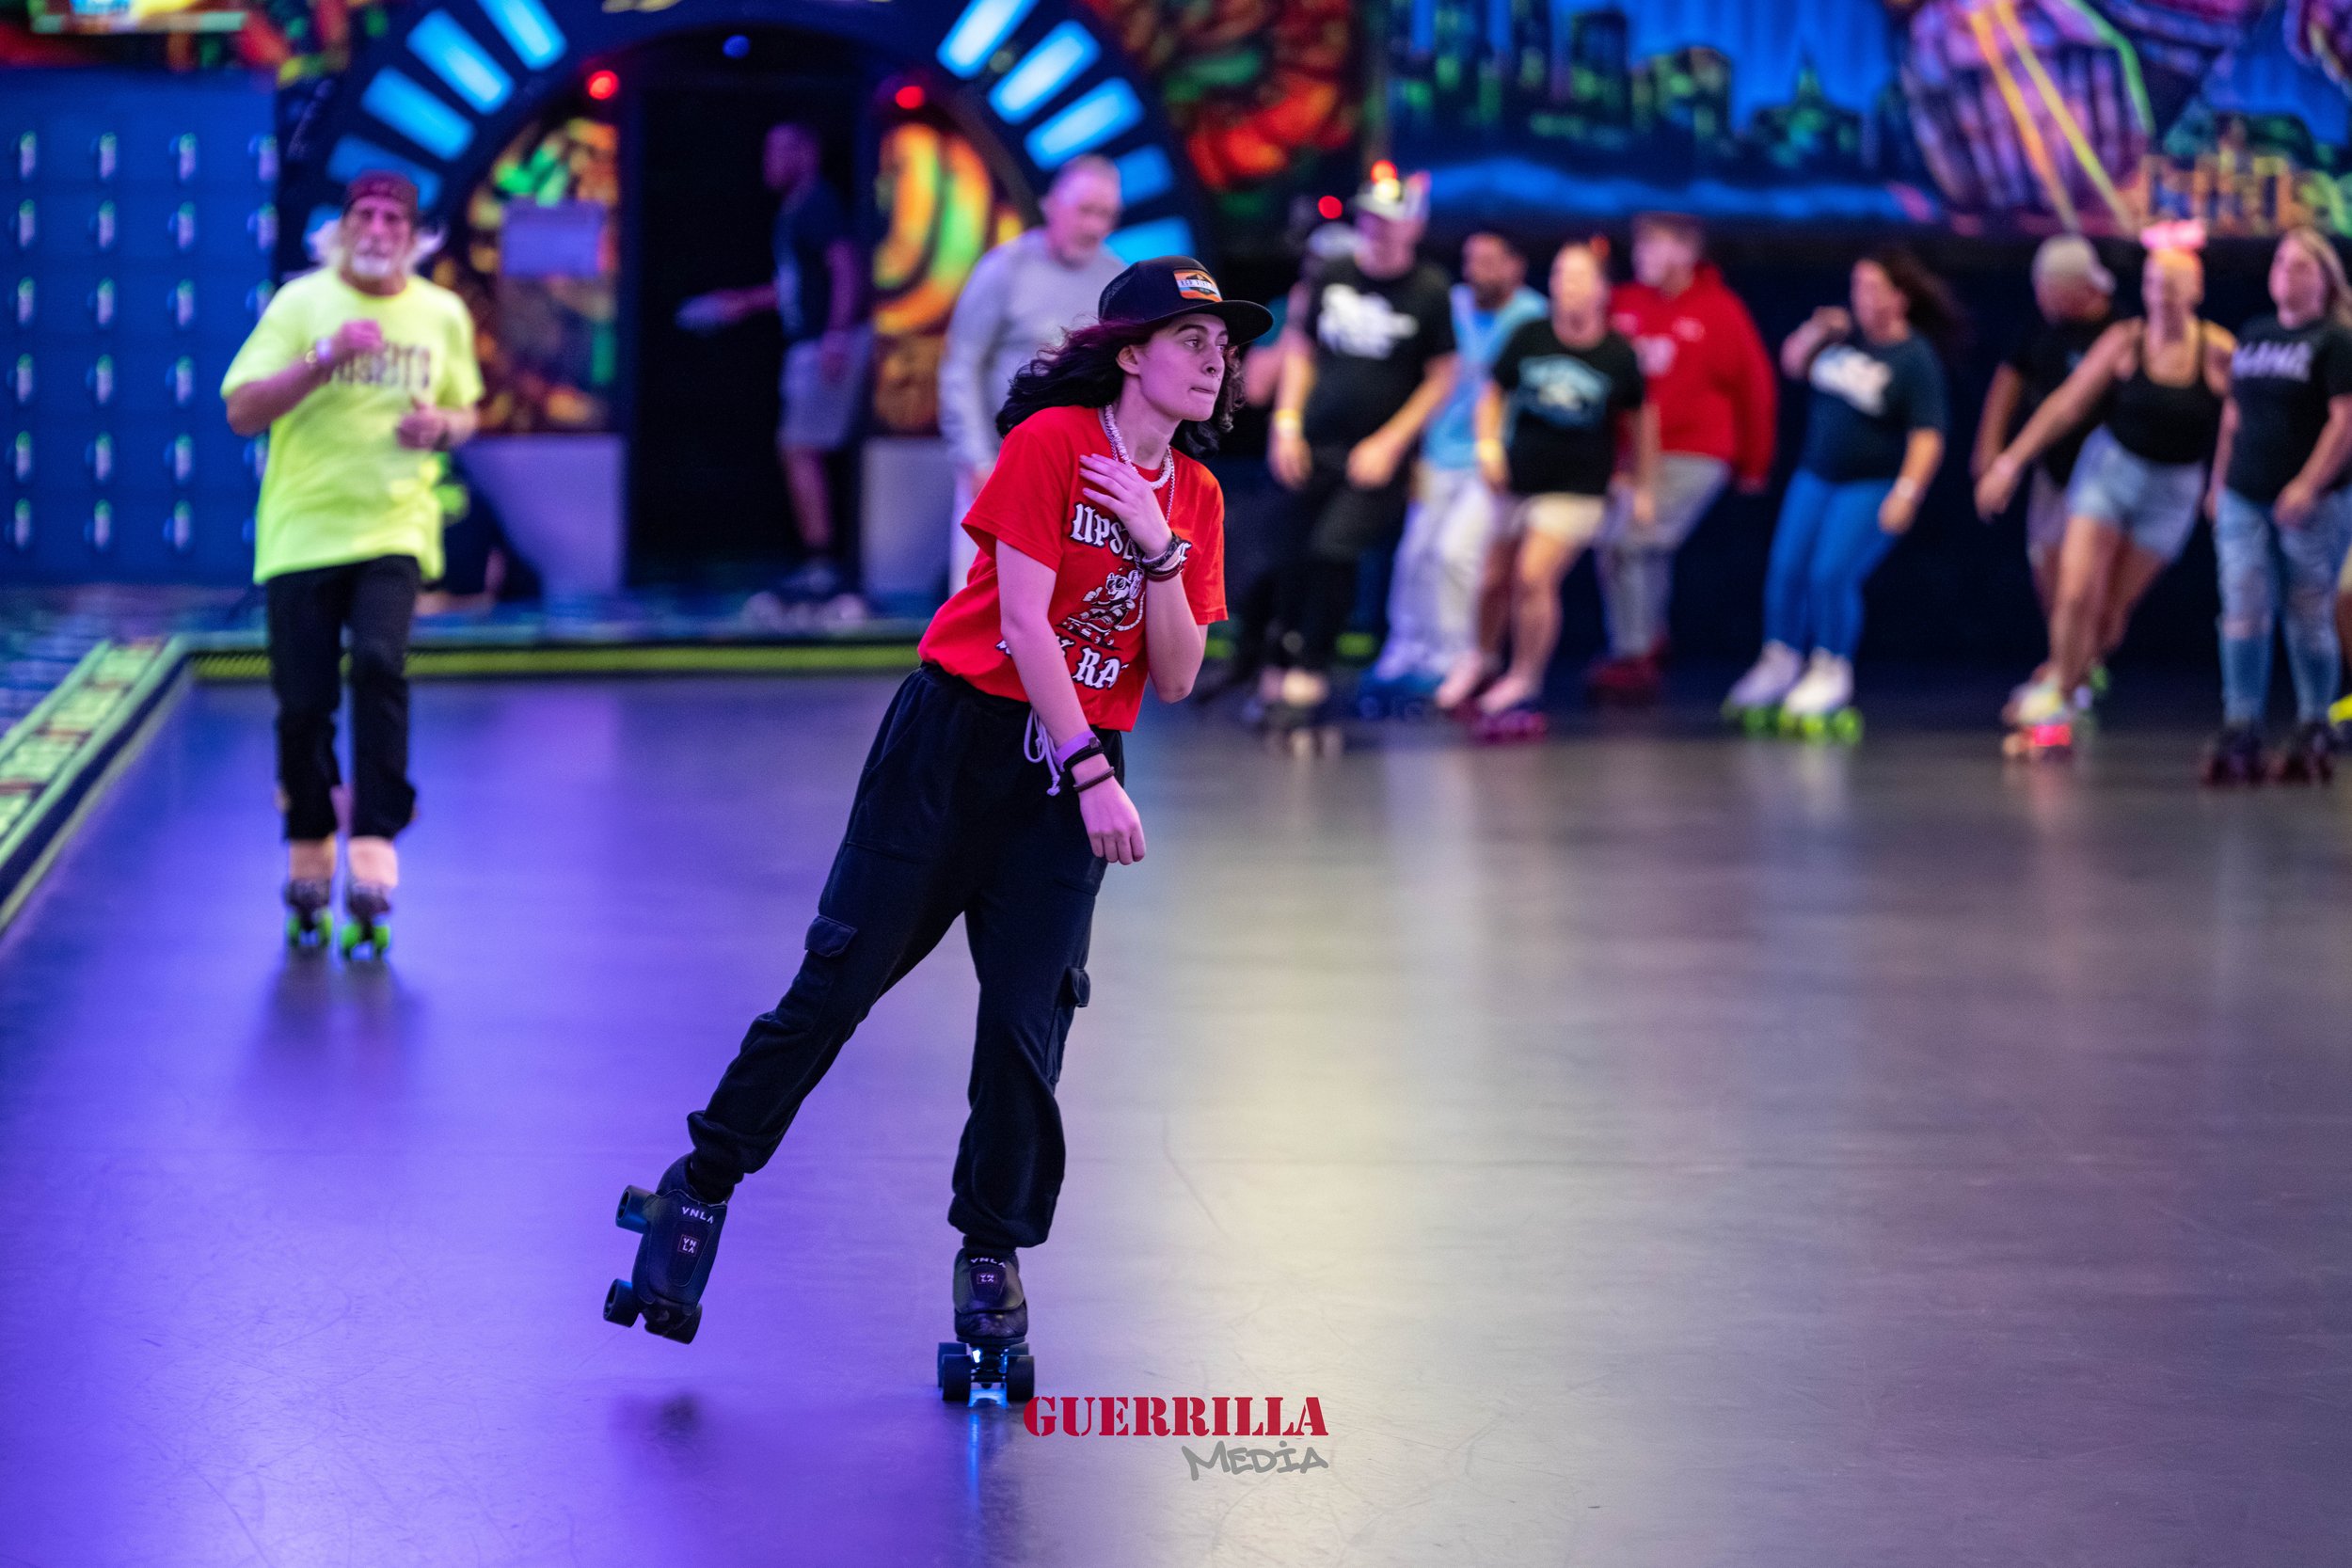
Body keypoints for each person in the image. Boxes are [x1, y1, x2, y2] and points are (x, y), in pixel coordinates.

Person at [604, 259, 1268, 1356]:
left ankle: (990, 1257)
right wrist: (1093, 772)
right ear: (1129, 351)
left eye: (1223, 344)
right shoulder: (1054, 444)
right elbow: (1022, 624)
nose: (1213, 358)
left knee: (1025, 1027)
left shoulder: (1193, 495)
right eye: (1189, 338)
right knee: (836, 985)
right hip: (954, 747)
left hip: (1066, 771)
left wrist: (1157, 545)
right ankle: (700, 1183)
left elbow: (1182, 670)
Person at [221, 170, 484, 952]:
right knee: (303, 703)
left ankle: (374, 842)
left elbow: (468, 411)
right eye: (362, 216)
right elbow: (241, 411)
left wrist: (443, 424)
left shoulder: (442, 313)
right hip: (302, 532)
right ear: (341, 231)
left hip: (395, 527)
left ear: (413, 235)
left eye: (390, 219)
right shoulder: (302, 304)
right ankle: (309, 845)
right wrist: (324, 358)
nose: (375, 229)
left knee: (377, 662)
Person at [1977, 244, 2233, 739]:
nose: (2163, 296)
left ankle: (2075, 675)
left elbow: (2243, 421)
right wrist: (2009, 462)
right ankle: (2061, 696)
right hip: (2109, 473)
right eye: (2155, 284)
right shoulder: (2125, 340)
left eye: (2175, 285)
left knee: (2110, 613)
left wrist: (2222, 482)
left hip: (2172, 491)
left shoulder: (2219, 351)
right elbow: (2065, 406)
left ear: (2196, 291)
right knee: (2074, 595)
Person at [1248, 168, 1458, 724]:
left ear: (1413, 226)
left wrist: (1391, 443)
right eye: (1369, 218)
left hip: (1378, 456)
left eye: (1390, 221)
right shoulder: (1334, 274)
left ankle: (1312, 668)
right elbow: (1299, 349)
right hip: (1314, 442)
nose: (1377, 230)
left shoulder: (1429, 290)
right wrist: (1286, 424)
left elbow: (1443, 375)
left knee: (1334, 551)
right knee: (1285, 554)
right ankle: (1277, 658)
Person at [1724, 249, 1955, 730]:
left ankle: (1831, 668)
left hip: (1870, 485)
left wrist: (1907, 493)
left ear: (1900, 298)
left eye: (1874, 289)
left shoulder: (1914, 358)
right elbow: (1792, 364)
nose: (1863, 299)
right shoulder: (1843, 340)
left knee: (1830, 574)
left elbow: (1928, 433)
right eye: (1857, 287)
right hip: (1815, 477)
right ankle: (1780, 659)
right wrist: (1817, 332)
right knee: (1786, 569)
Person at [1441, 242, 1655, 725]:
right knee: (1493, 578)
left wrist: (1640, 484)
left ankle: (1525, 675)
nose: (1566, 286)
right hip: (1519, 480)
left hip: (1578, 490)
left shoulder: (1618, 354)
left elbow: (1642, 423)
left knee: (1533, 576)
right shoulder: (1530, 335)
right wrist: (1489, 447)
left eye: (1579, 277)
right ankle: (1482, 658)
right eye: (1559, 275)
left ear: (1602, 289)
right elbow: (1492, 395)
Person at [1587, 213, 1775, 704]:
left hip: (1695, 452)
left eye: (1657, 245)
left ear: (1688, 252)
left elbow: (1755, 390)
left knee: (1628, 541)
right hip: (1632, 458)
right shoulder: (1624, 305)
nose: (1644, 255)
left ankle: (1632, 655)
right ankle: (1649, 639)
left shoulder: (1720, 311)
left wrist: (1755, 464)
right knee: (1638, 547)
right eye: (1641, 245)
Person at [678, 123, 867, 609]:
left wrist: (837, 335)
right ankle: (818, 560)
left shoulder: (816, 202)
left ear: (808, 151)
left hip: (822, 342)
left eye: (782, 149)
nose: (771, 160)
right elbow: (796, 287)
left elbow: (844, 266)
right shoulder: (796, 208)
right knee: (800, 448)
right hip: (808, 340)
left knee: (800, 448)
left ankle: (822, 565)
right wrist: (738, 302)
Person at [1359, 230, 1546, 704]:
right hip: (1439, 453)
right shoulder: (1450, 304)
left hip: (1493, 461)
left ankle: (1456, 657)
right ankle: (1408, 647)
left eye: (1488, 261)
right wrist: (1419, 452)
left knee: (1456, 553)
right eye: (1471, 260)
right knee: (1415, 553)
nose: (1476, 271)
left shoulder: (1533, 318)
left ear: (1514, 266)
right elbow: (1426, 378)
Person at [2201, 228, 2352, 783]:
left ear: (2323, 278)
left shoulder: (2335, 341)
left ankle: (2315, 719)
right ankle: (2242, 720)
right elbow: (2234, 417)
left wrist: (2310, 484)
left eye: (2301, 265)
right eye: (2281, 262)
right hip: (2245, 493)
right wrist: (2218, 482)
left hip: (2314, 500)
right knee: (2243, 602)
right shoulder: (2255, 334)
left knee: (2309, 608)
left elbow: (2345, 421)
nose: (2287, 271)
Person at [937, 156, 1127, 589]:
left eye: (1107, 215)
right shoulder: (1005, 268)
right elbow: (961, 365)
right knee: (979, 600)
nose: (1095, 226)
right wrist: (975, 457)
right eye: (1085, 211)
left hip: (1081, 478)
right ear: (1051, 205)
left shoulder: (1117, 280)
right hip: (999, 465)